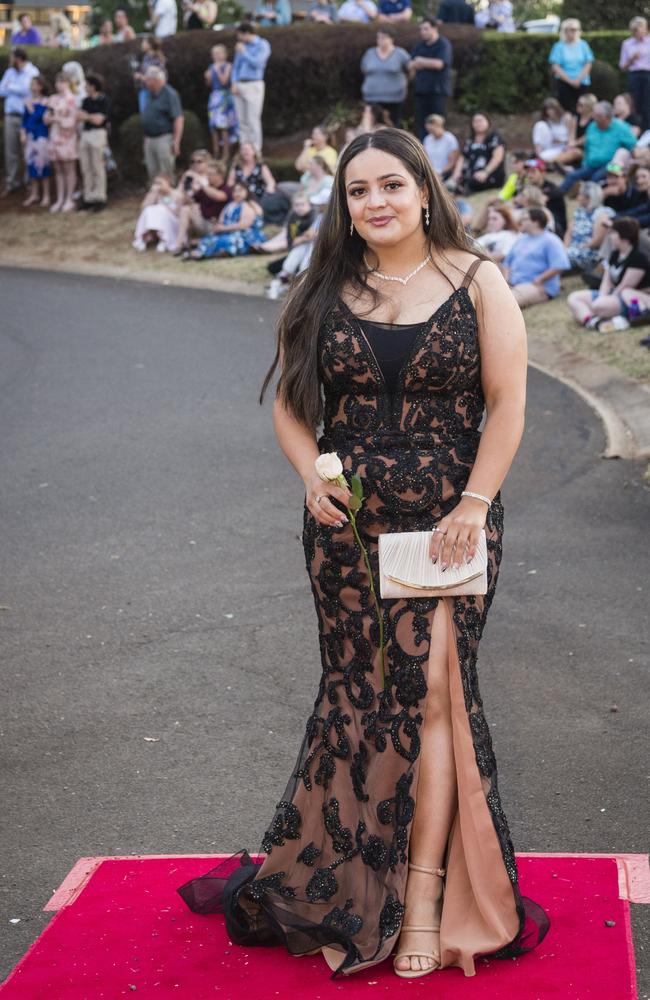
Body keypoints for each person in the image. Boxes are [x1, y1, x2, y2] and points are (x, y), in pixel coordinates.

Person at [177, 126, 550, 979]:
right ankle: (358, 875)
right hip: (347, 532)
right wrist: (310, 473)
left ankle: (422, 902)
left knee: (434, 702)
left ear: (425, 189)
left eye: (390, 185)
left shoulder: (478, 279)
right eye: (357, 191)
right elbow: (290, 408)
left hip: (451, 525)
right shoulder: (320, 289)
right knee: (364, 700)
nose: (374, 202)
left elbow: (509, 406)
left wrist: (476, 502)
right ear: (342, 204)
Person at [567, 217, 650, 329]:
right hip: (613, 295)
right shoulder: (615, 254)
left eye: (613, 233)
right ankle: (592, 321)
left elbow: (625, 286)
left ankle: (596, 314)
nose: (610, 236)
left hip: (628, 298)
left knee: (599, 305)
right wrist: (602, 295)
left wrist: (602, 300)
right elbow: (607, 280)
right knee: (574, 298)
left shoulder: (638, 258)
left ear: (624, 236)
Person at [558, 101, 637, 196]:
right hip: (590, 164)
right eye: (594, 115)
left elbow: (632, 146)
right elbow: (587, 147)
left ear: (608, 118)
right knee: (572, 176)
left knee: (595, 179)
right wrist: (584, 162)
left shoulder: (620, 128)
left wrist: (624, 167)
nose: (594, 118)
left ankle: (587, 199)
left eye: (598, 116)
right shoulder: (592, 127)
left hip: (610, 166)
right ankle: (557, 196)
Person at [502, 206, 570, 308]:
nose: (521, 222)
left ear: (536, 222)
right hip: (515, 283)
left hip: (537, 285)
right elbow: (507, 263)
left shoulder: (551, 240)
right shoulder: (521, 239)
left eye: (525, 219)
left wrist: (540, 279)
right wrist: (506, 279)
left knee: (507, 302)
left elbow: (560, 265)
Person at [186, 179, 265, 258]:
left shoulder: (249, 205)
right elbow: (221, 221)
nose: (237, 193)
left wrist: (224, 228)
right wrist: (217, 227)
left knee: (229, 240)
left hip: (245, 235)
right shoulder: (229, 205)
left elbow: (244, 225)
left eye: (240, 191)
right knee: (209, 239)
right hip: (228, 232)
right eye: (235, 191)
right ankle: (203, 252)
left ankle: (221, 252)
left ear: (247, 191)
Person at [0, 47, 39, 196]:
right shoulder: (10, 72)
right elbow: (1, 90)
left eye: (12, 57)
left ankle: (30, 185)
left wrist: (11, 87)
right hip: (11, 116)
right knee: (11, 152)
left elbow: (28, 90)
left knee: (27, 151)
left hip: (25, 117)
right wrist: (15, 88)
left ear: (18, 58)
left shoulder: (32, 71)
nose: (10, 60)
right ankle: (12, 183)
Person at [172, 156, 231, 254]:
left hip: (217, 226)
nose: (208, 176)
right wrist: (186, 187)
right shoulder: (205, 189)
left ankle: (190, 243)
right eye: (207, 174)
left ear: (220, 175)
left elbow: (219, 196)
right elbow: (189, 201)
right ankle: (180, 244)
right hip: (203, 223)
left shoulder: (226, 189)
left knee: (187, 210)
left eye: (211, 174)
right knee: (186, 209)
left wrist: (202, 184)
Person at [409, 17, 453, 140]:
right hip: (421, 91)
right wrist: (421, 63)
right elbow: (411, 64)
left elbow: (439, 64)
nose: (423, 32)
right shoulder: (419, 46)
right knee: (422, 126)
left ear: (435, 28)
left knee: (437, 124)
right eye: (421, 29)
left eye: (426, 29)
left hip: (438, 92)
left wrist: (421, 61)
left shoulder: (443, 44)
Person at [231, 21, 271, 154]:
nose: (238, 39)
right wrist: (234, 82)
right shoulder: (241, 46)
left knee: (252, 119)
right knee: (241, 120)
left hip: (253, 84)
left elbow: (258, 64)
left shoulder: (262, 45)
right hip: (239, 84)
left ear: (246, 33)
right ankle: (244, 150)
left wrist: (244, 53)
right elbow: (235, 66)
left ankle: (256, 150)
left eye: (240, 35)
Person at [141, 66, 184, 182]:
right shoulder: (149, 95)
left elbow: (178, 118)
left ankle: (168, 198)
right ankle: (155, 198)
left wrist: (176, 141)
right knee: (152, 172)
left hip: (164, 138)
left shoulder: (170, 94)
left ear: (156, 80)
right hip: (149, 138)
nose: (146, 83)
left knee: (166, 172)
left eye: (148, 80)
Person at [361, 29, 411, 128]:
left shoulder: (400, 53)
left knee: (392, 125)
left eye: (383, 38)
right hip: (372, 97)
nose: (380, 40)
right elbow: (364, 69)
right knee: (371, 126)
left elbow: (410, 69)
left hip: (394, 98)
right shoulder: (370, 53)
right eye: (378, 38)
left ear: (391, 39)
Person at [45, 70, 79, 213]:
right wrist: (48, 118)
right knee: (58, 170)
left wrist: (59, 120)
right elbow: (46, 116)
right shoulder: (52, 99)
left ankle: (69, 198)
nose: (59, 85)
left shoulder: (72, 99)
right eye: (57, 82)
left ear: (68, 83)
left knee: (68, 169)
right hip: (54, 136)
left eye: (62, 82)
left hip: (67, 137)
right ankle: (60, 198)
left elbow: (73, 120)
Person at [448, 112, 506, 193]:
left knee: (473, 182)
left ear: (487, 122)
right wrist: (457, 172)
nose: (478, 124)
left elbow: (497, 158)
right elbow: (463, 157)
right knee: (448, 176)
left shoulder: (494, 138)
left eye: (481, 121)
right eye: (475, 121)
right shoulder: (470, 140)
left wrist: (485, 172)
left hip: (489, 174)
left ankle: (461, 188)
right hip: (469, 173)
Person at [563, 180, 614, 272]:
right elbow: (569, 233)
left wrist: (578, 248)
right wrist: (565, 248)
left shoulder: (601, 214)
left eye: (580, 194)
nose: (578, 197)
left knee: (559, 256)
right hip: (573, 249)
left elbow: (597, 241)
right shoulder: (579, 211)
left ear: (588, 197)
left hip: (590, 252)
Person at [77, 72, 110, 212]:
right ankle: (88, 197)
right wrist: (90, 117)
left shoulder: (104, 100)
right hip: (85, 134)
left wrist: (88, 116)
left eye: (87, 85)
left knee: (97, 167)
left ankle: (100, 197)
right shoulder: (85, 101)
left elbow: (100, 120)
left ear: (93, 86)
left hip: (98, 135)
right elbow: (79, 116)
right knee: (86, 168)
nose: (85, 87)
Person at [549, 19, 594, 114]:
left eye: (574, 29)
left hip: (582, 82)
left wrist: (578, 80)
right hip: (564, 83)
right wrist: (570, 81)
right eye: (568, 30)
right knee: (567, 110)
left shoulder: (583, 45)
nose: (571, 33)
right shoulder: (558, 46)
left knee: (582, 110)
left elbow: (588, 63)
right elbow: (555, 66)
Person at [20, 75, 51, 207]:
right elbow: (24, 121)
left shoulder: (46, 101)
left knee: (44, 166)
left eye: (34, 84)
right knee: (31, 165)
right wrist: (22, 134)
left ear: (41, 86)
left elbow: (39, 118)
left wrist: (31, 107)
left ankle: (46, 195)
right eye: (31, 84)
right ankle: (34, 193)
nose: (32, 87)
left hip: (42, 136)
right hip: (30, 137)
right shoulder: (28, 101)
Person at [132, 172, 182, 251]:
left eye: (160, 183)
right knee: (149, 210)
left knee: (161, 209)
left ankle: (164, 240)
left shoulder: (177, 194)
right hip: (160, 223)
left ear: (168, 182)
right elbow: (143, 208)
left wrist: (166, 208)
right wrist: (152, 193)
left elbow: (179, 213)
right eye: (155, 183)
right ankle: (144, 237)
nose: (157, 185)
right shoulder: (157, 194)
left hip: (174, 222)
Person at [205, 44, 238, 161]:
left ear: (224, 54)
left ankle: (226, 155)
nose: (216, 56)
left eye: (218, 53)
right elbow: (209, 84)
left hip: (224, 97)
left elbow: (224, 81)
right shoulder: (211, 66)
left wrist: (217, 70)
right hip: (214, 97)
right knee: (213, 127)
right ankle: (216, 153)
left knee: (223, 126)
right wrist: (208, 77)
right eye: (214, 54)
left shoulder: (228, 66)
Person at [619, 17, 650, 134]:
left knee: (647, 104)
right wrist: (632, 59)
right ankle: (636, 130)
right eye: (638, 30)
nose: (642, 32)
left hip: (648, 75)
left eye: (643, 29)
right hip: (634, 76)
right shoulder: (627, 44)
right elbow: (622, 66)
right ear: (633, 31)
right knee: (635, 104)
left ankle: (647, 132)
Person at [522, 157, 566, 238]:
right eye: (527, 172)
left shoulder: (552, 188)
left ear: (542, 172)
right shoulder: (529, 189)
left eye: (533, 172)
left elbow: (539, 201)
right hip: (537, 226)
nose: (529, 175)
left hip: (554, 231)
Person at [532, 97, 572, 164]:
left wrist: (563, 142)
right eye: (548, 109)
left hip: (565, 148)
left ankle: (551, 163)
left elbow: (571, 137)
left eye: (552, 109)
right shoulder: (545, 124)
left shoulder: (566, 119)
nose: (550, 112)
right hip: (551, 149)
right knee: (539, 125)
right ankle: (540, 158)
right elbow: (541, 140)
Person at [133, 37, 166, 116]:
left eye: (144, 42)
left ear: (150, 45)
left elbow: (158, 79)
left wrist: (140, 77)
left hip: (153, 93)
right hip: (144, 91)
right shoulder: (146, 57)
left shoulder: (157, 59)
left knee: (151, 117)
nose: (142, 45)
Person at [423, 113, 458, 180]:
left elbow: (452, 163)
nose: (431, 133)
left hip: (444, 174)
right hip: (430, 173)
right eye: (429, 131)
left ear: (440, 126)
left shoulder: (450, 139)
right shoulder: (427, 139)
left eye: (433, 130)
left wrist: (440, 173)